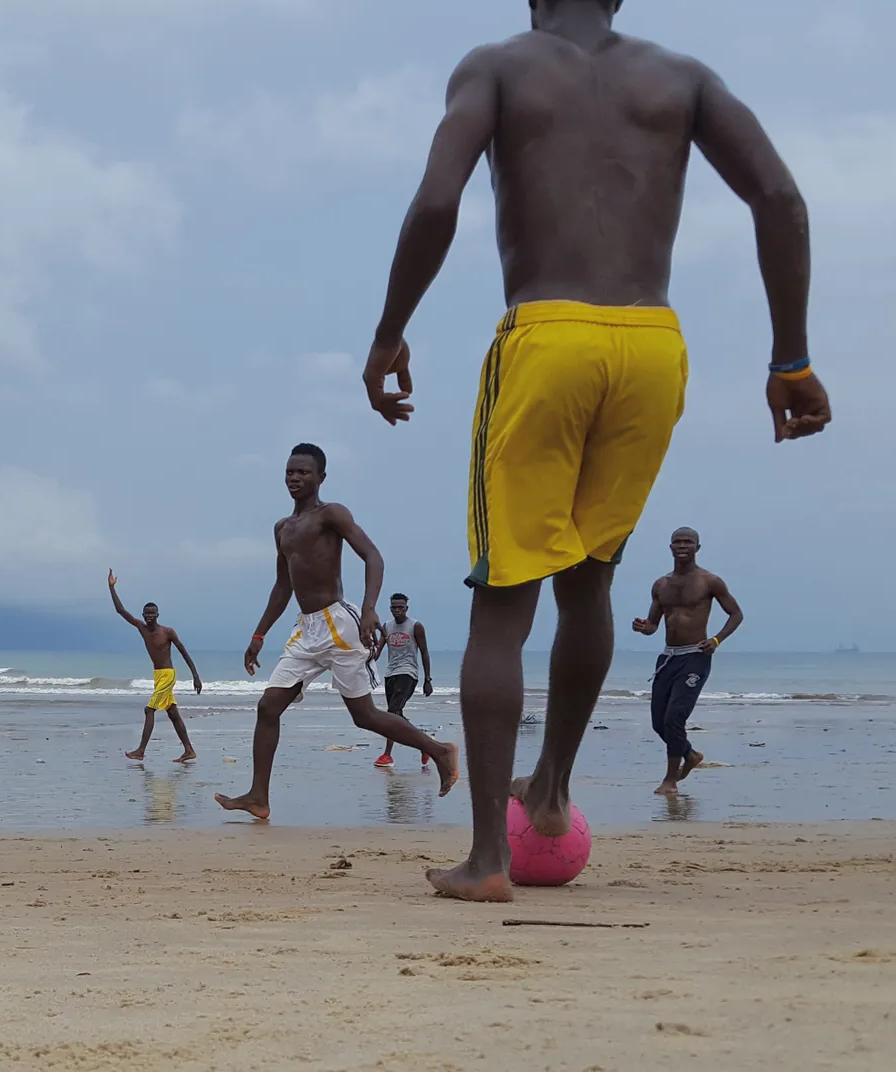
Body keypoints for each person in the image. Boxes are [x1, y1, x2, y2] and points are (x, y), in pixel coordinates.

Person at [361, 0, 831, 901]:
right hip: (654, 344)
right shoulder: (682, 78)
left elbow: (435, 201)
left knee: (503, 601)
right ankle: (549, 791)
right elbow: (780, 198)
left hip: (549, 333)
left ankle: (488, 862)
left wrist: (389, 333)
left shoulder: (496, 65)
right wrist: (792, 359)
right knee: (593, 582)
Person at [214, 444, 459, 820]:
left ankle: (440, 750)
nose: (295, 478)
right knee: (268, 706)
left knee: (364, 716)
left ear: (321, 478)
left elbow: (373, 556)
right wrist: (259, 635)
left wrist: (370, 608)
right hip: (306, 629)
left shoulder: (331, 515)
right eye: (290, 472)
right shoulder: (282, 528)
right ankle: (258, 797)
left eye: (304, 473)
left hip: (340, 625)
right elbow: (283, 587)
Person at [632, 528, 743, 796]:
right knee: (659, 722)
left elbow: (736, 614)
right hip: (668, 657)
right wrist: (643, 627)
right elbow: (654, 625)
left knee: (674, 718)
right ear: (670, 547)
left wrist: (716, 640)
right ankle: (690, 755)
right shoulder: (661, 585)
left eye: (688, 542)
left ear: (697, 547)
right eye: (677, 542)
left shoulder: (710, 581)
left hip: (696, 656)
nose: (682, 546)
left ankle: (670, 779)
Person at [108, 570, 202, 763]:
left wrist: (195, 676)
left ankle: (140, 751)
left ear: (158, 614)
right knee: (172, 712)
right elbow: (120, 611)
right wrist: (111, 587)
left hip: (168, 675)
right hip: (158, 675)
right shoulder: (142, 628)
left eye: (153, 613)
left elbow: (184, 652)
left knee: (149, 710)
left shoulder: (167, 632)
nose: (150, 616)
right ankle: (189, 750)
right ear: (143, 615)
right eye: (147, 613)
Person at [371, 592, 434, 768]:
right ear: (390, 608)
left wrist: (427, 679)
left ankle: (387, 754)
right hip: (390, 673)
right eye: (394, 607)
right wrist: (364, 659)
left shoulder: (415, 626)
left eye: (401, 607)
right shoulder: (387, 626)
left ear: (406, 608)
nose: (397, 610)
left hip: (408, 673)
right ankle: (424, 743)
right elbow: (377, 652)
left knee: (392, 712)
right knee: (394, 715)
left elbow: (424, 653)